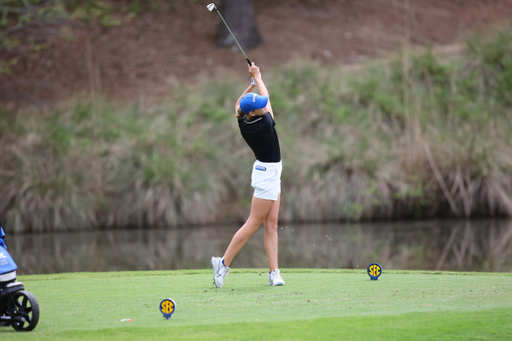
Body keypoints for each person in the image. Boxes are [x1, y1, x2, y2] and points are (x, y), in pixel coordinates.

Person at [211, 62, 285, 288]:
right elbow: (267, 101)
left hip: (269, 171)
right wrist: (258, 78)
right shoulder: (265, 124)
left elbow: (237, 105)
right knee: (253, 223)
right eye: (260, 106)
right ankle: (222, 265)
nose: (264, 106)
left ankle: (274, 273)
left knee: (271, 224)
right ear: (254, 112)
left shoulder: (245, 120)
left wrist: (250, 85)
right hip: (267, 174)